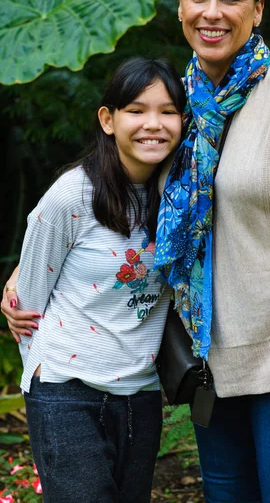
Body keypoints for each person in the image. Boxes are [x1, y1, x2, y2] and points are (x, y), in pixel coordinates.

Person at [2, 0, 270, 503]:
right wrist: (31, 272)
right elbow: (127, 212)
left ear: (258, 10)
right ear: (179, 7)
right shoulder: (180, 106)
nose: (212, 11)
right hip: (213, 371)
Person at [0, 57, 185, 503]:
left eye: (167, 111)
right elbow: (29, 297)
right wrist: (43, 369)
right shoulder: (72, 195)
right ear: (108, 119)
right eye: (137, 111)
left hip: (140, 395)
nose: (153, 125)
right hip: (67, 391)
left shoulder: (184, 196)